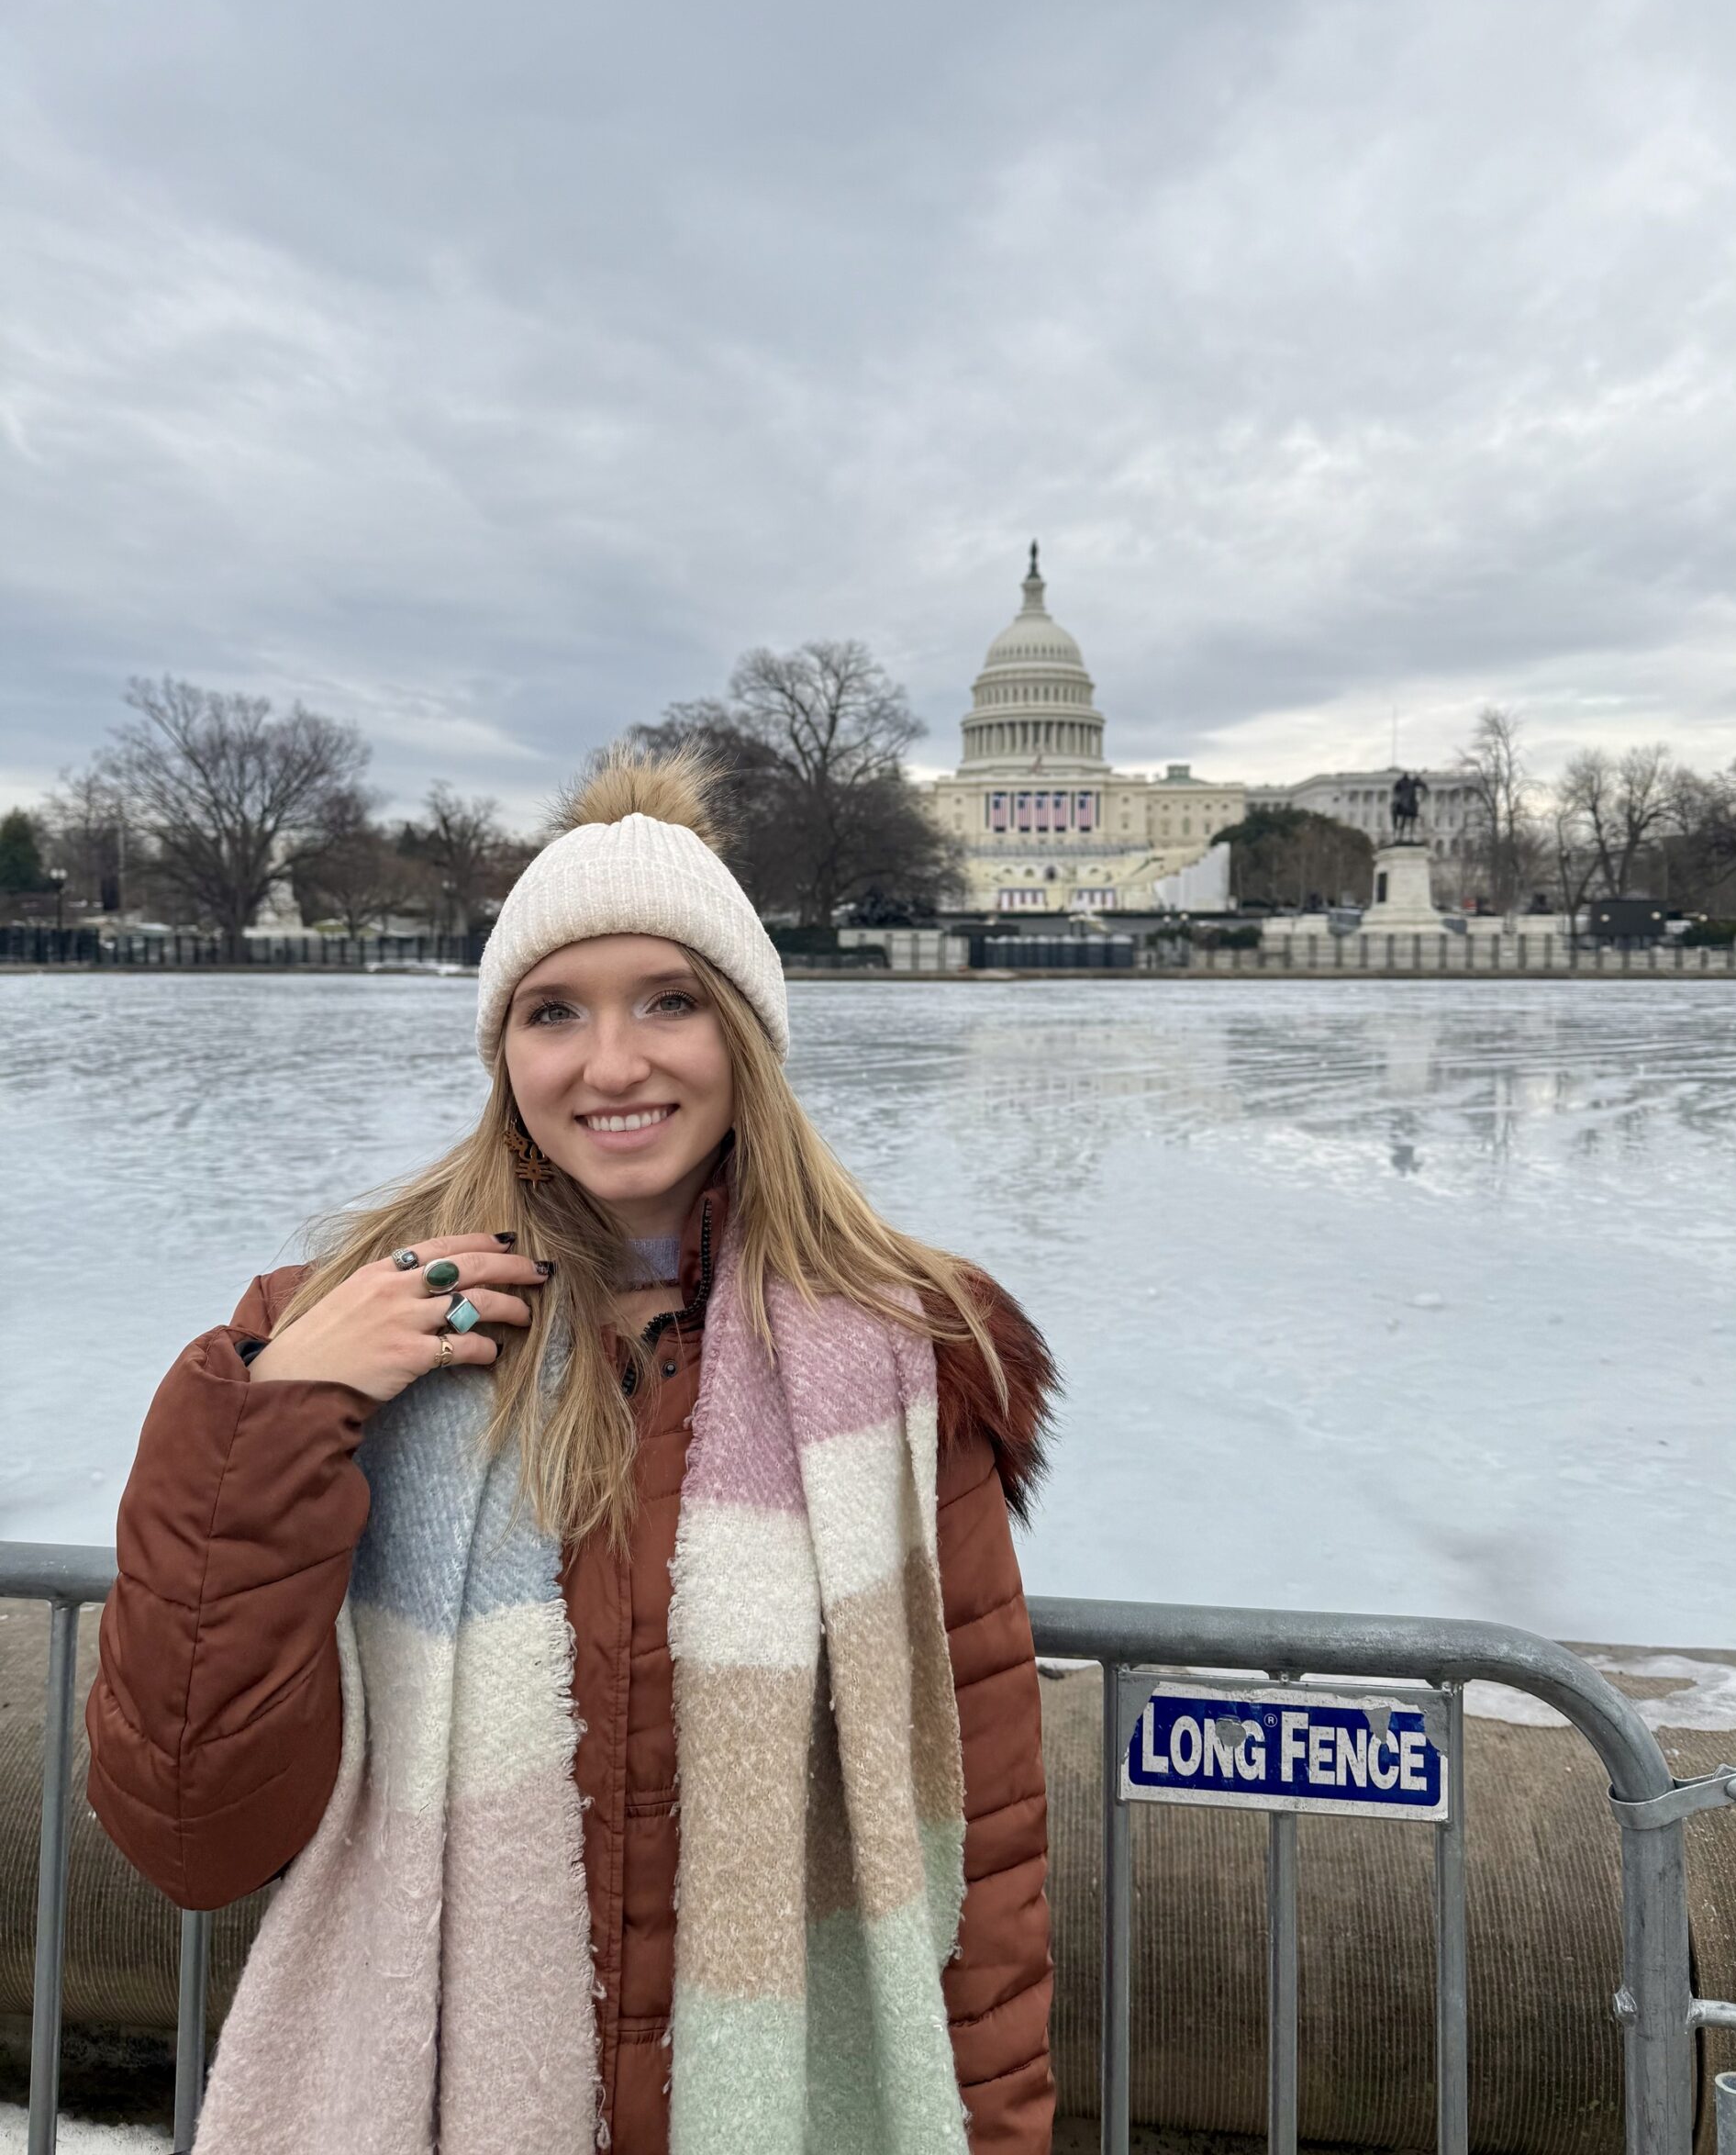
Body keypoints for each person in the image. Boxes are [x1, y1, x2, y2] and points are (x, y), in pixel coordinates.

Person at [86, 747, 1057, 2155]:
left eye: (669, 999)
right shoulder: (334, 1333)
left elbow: (982, 1865)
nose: (614, 1064)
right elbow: (190, 1832)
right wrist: (280, 1407)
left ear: (746, 1035)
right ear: (504, 1053)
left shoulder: (906, 1362)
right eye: (555, 1011)